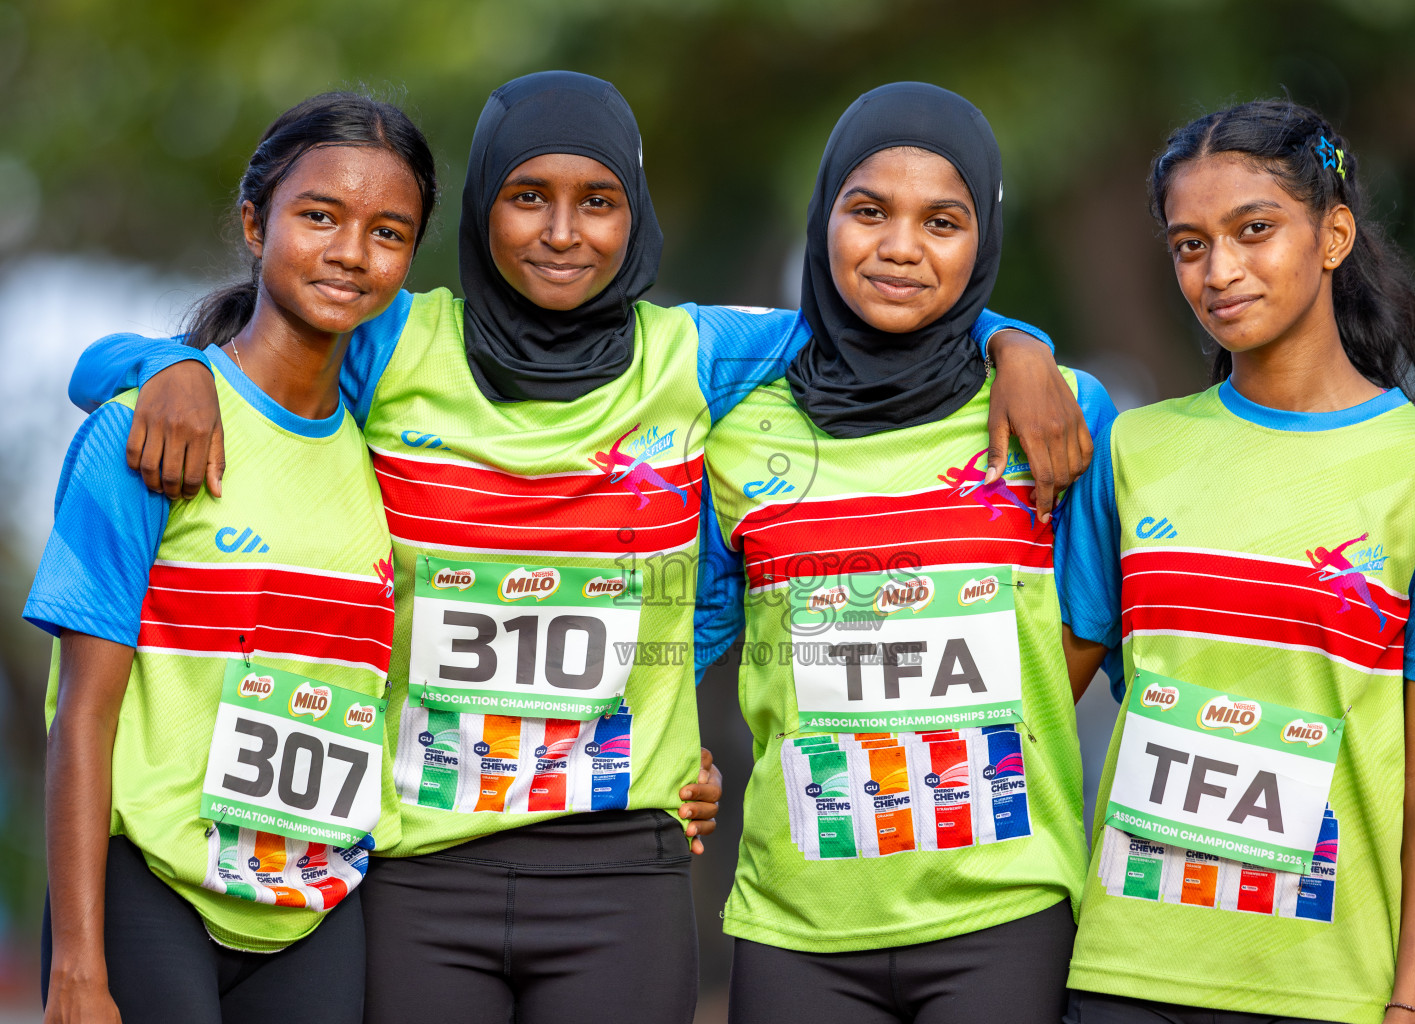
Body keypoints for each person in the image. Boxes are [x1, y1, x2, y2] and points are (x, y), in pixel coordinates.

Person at [65, 71, 1091, 1024]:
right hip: (421, 872)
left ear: (634, 211)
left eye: (597, 200)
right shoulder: (396, 345)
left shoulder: (696, 357)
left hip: (622, 878)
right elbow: (259, 345)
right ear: (477, 212)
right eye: (526, 197)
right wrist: (164, 363)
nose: (562, 233)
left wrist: (1019, 344)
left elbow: (872, 300)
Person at [1056, 100, 1415, 1024]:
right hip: (1124, 974)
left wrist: (1412, 1005)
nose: (1220, 271)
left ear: (1333, 234)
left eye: (1254, 231)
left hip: (1325, 987)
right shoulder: (1134, 451)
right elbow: (1039, 696)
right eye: (1188, 245)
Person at [701, 82, 1115, 1024]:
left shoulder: (1059, 412)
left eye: (943, 221)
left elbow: (1106, 615)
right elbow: (686, 631)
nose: (900, 248)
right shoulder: (736, 430)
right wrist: (679, 755)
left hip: (1004, 910)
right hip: (794, 923)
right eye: (868, 211)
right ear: (823, 217)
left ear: (984, 243)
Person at [25, 92, 438, 1024]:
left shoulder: (385, 450)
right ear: (255, 223)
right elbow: (82, 715)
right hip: (147, 891)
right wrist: (78, 967)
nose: (349, 252)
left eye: (388, 231)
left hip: (313, 906)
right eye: (318, 216)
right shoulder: (148, 436)